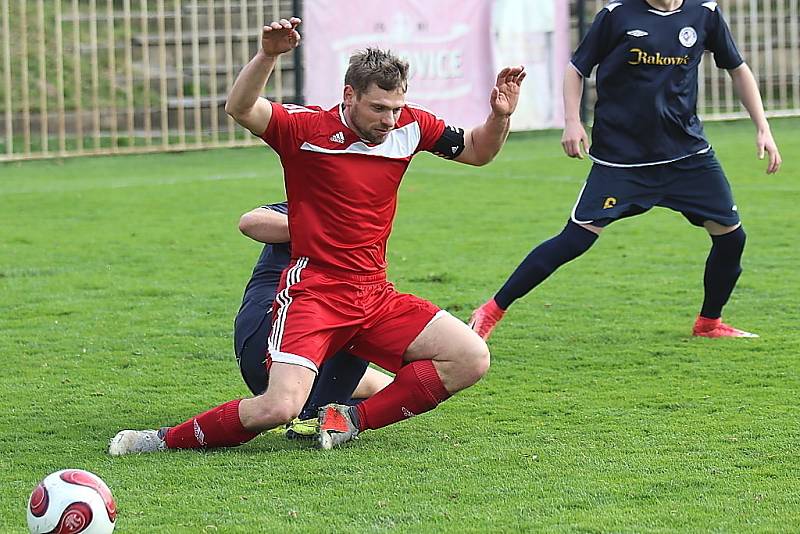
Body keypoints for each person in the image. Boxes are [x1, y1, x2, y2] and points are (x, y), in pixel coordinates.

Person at [108, 16, 525, 454]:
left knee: (471, 357)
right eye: (378, 108)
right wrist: (268, 55)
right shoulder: (306, 130)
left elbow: (479, 151)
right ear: (349, 95)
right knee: (279, 407)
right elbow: (241, 108)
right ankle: (160, 441)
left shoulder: (410, 127)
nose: (389, 120)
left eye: (396, 108)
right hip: (317, 292)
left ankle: (349, 419)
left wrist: (499, 116)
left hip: (375, 293)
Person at [469, 0, 781, 341]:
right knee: (574, 241)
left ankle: (709, 323)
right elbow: (576, 69)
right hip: (622, 159)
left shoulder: (704, 12)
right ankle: (491, 311)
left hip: (687, 156)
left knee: (731, 237)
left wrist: (763, 127)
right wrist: (572, 122)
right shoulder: (617, 15)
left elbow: (737, 68)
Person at [234, 202, 393, 438]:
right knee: (356, 318)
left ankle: (310, 412)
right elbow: (250, 222)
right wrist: (322, 230)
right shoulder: (308, 205)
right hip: (266, 334)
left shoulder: (363, 228)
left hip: (309, 349)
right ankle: (310, 420)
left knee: (386, 388)